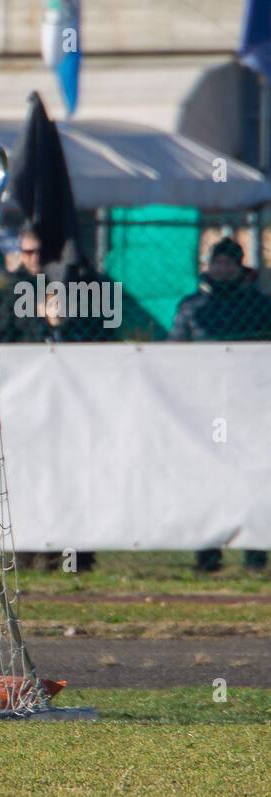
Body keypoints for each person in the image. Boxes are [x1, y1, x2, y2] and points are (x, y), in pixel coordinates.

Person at [170, 237, 271, 573]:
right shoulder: (191, 306)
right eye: (218, 262)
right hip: (206, 404)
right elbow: (176, 349)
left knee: (253, 475)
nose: (223, 269)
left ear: (240, 267)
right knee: (206, 474)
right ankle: (207, 556)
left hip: (249, 404)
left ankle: (255, 555)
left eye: (230, 263)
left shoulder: (259, 305)